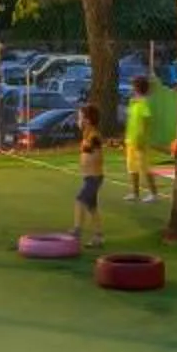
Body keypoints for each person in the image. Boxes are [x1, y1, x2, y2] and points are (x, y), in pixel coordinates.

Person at [74, 99, 106, 248]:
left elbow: (97, 147)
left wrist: (90, 147)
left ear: (87, 120)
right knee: (92, 207)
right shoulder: (87, 134)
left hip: (94, 178)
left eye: (80, 118)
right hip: (89, 177)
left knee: (80, 200)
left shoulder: (93, 135)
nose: (78, 121)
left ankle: (77, 229)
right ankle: (98, 236)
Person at [123, 75, 158, 202]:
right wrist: (127, 137)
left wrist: (141, 139)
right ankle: (135, 193)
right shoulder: (133, 102)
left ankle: (153, 193)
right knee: (132, 167)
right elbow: (130, 121)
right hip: (130, 140)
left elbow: (146, 121)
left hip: (141, 141)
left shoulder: (145, 102)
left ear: (138, 87)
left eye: (133, 85)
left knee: (144, 167)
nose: (132, 88)